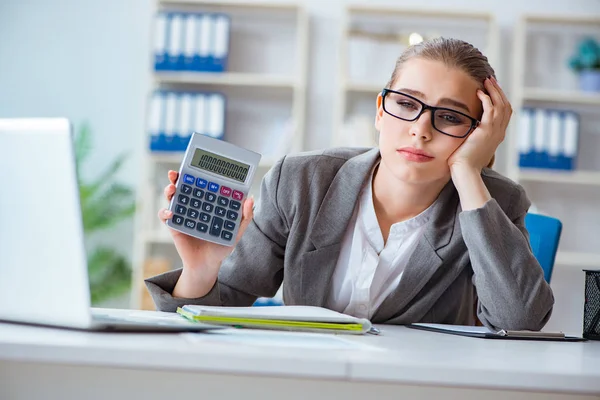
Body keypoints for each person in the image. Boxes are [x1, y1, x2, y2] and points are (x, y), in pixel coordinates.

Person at [146, 37, 554, 331]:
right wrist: (201, 270)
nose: (420, 130)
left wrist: (468, 170)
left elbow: (519, 322)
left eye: (449, 117)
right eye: (406, 104)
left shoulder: (494, 201)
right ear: (380, 110)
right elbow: (210, 319)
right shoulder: (300, 181)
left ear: (480, 130)